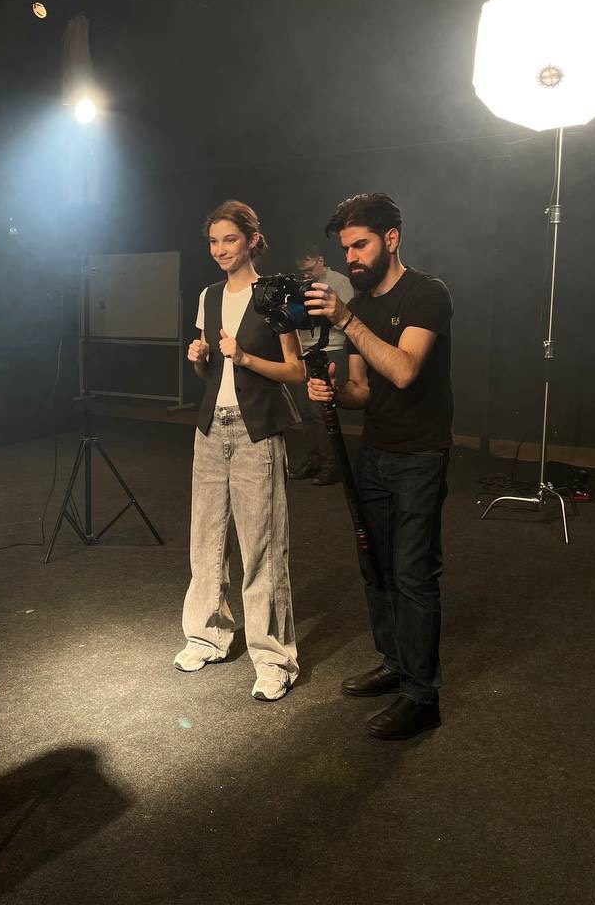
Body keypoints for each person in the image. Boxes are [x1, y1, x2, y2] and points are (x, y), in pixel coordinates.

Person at [305, 193, 453, 740]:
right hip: (375, 453)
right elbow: (364, 390)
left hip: (419, 456)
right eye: (346, 249)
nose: (351, 258)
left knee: (413, 574)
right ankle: (395, 662)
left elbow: (405, 370)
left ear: (392, 238)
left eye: (360, 245)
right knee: (377, 568)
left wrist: (345, 318)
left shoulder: (427, 294)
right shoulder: (363, 306)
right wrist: (334, 391)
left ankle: (422, 695)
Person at [176, 200, 305, 702]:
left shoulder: (273, 293)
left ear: (252, 240)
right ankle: (207, 636)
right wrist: (200, 357)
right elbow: (209, 374)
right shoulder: (208, 296)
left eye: (229, 239)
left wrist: (246, 356)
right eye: (213, 241)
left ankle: (274, 660)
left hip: (257, 430)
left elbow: (296, 371)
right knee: (206, 539)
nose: (220, 249)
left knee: (262, 547)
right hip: (211, 428)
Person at [287, 243, 355, 486]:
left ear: (320, 261)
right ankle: (314, 459)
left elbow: (347, 319)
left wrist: (320, 308)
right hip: (303, 351)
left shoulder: (339, 282)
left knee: (320, 412)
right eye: (301, 269)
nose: (305, 273)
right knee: (305, 412)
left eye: (309, 268)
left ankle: (331, 464)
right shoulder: (298, 284)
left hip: (330, 350)